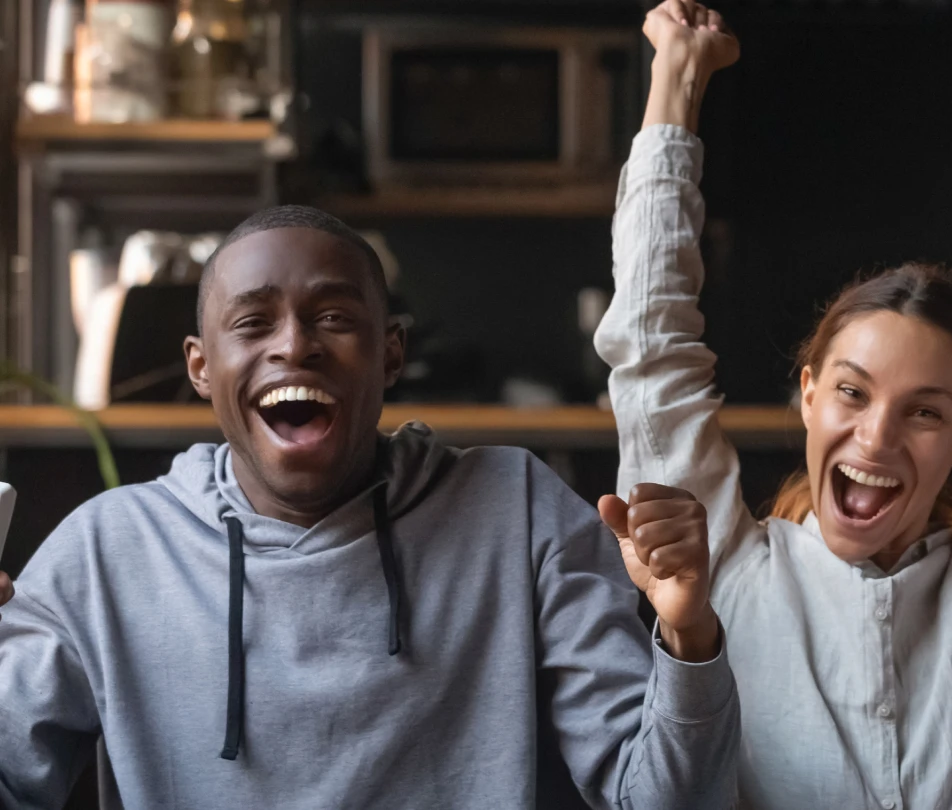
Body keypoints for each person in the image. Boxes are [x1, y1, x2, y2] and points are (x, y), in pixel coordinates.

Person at [0, 97, 743, 810]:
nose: (294, 345)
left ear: (391, 355)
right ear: (200, 367)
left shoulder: (516, 510)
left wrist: (687, 633)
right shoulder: (104, 553)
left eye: (332, 316)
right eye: (253, 322)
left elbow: (665, 801)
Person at [595, 2, 952, 808]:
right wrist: (675, 80)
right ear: (809, 393)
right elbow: (651, 346)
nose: (878, 436)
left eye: (925, 412)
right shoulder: (723, 575)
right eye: (852, 393)